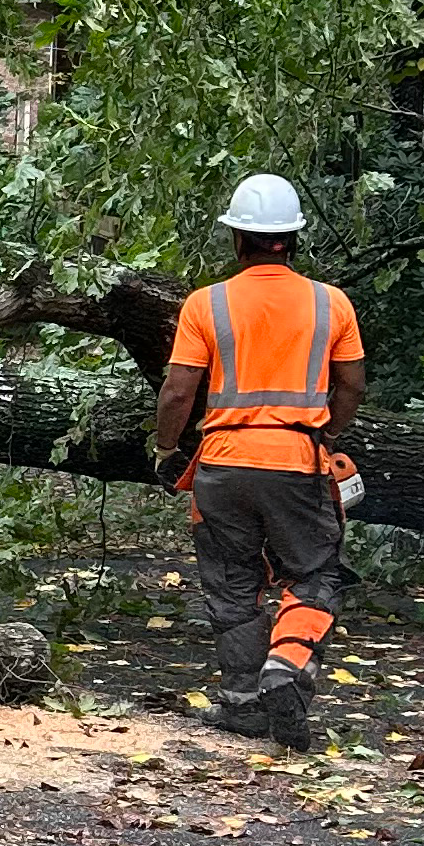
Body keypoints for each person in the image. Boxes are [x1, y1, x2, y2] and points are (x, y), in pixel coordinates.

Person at [151, 173, 367, 753]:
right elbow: (350, 385)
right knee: (316, 573)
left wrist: (166, 450)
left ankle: (244, 703)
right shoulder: (331, 303)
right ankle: (288, 665)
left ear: (237, 238)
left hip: (221, 465)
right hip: (297, 464)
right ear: (292, 239)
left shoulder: (207, 303)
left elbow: (177, 392)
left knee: (233, 586)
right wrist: (320, 432)